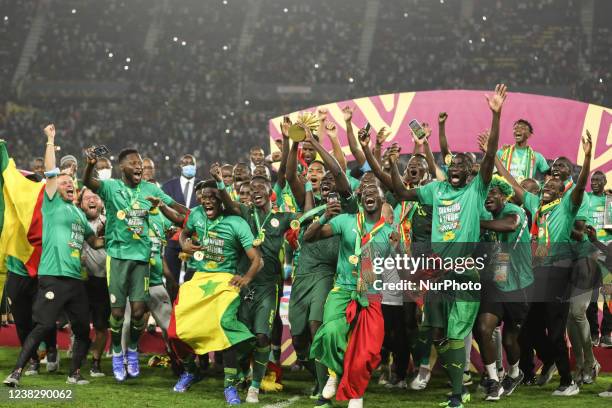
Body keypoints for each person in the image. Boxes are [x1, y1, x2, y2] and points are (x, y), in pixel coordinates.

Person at [389, 84, 507, 408]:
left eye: (462, 166)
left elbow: (491, 154)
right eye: (452, 164)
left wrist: (496, 115)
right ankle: (460, 386)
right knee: (438, 335)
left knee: (456, 335)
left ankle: (458, 393)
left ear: (471, 173)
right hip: (437, 273)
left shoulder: (476, 191)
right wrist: (390, 167)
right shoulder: (436, 190)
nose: (456, 168)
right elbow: (403, 194)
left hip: (465, 273)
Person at [4, 124, 104, 387]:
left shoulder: (79, 215)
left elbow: (94, 242)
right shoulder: (52, 204)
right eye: (64, 182)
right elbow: (50, 171)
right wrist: (50, 140)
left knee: (83, 330)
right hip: (52, 278)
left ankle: (74, 373)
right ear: (54, 188)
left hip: (74, 281)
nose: (69, 185)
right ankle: (16, 372)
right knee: (41, 326)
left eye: (72, 183)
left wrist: (118, 232)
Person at [497, 130, 593, 396]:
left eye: (553, 186)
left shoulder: (567, 206)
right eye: (546, 184)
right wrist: (493, 157)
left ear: (563, 191)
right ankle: (551, 363)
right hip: (537, 272)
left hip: (559, 271)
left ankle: (568, 381)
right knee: (529, 327)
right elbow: (513, 183)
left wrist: (586, 158)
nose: (548, 186)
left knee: (555, 329)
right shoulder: (537, 204)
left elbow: (581, 185)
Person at [83, 146, 186, 382]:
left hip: (142, 258)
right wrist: (89, 163)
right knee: (118, 313)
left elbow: (176, 208)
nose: (138, 165)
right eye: (133, 162)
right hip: (118, 257)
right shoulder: (111, 188)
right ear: (122, 167)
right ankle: (118, 353)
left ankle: (131, 348)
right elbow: (88, 181)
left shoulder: (150, 188)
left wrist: (195, 215)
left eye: (140, 162)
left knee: (140, 312)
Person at [171, 179, 261, 405]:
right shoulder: (197, 214)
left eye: (212, 197)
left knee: (224, 329)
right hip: (199, 279)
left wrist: (246, 278)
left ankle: (230, 386)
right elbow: (185, 232)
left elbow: (256, 259)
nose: (207, 201)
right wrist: (184, 243)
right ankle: (191, 371)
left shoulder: (236, 222)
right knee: (174, 331)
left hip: (224, 281)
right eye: (203, 197)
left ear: (221, 199)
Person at [305, 182, 395, 408]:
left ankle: (356, 394)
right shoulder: (345, 221)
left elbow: (392, 270)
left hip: (370, 294)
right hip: (343, 290)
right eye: (365, 194)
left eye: (374, 193)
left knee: (365, 352)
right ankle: (335, 374)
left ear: (382, 201)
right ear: (360, 200)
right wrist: (324, 217)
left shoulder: (388, 233)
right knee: (331, 333)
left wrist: (396, 249)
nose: (369, 196)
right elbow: (308, 237)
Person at [213, 164, 297, 404]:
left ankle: (255, 386)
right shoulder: (244, 213)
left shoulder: (281, 218)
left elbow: (305, 218)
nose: (256, 191)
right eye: (252, 189)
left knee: (262, 336)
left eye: (261, 187)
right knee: (240, 336)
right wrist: (220, 183)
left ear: (270, 191)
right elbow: (229, 204)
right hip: (241, 284)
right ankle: (237, 376)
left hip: (268, 286)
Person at [476, 175, 533, 400]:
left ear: (503, 195)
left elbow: (510, 225)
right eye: (485, 193)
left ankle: (515, 372)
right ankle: (492, 380)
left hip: (520, 285)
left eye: (493, 193)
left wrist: (477, 222)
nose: (488, 197)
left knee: (510, 340)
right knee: (484, 328)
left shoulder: (513, 210)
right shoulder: (485, 214)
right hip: (496, 281)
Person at [79, 187, 110, 377]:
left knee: (100, 325)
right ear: (81, 203)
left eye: (95, 197)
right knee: (79, 324)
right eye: (87, 198)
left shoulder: (111, 222)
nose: (92, 200)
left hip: (103, 282)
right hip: (80, 282)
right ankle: (79, 353)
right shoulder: (74, 221)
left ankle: (96, 362)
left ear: (102, 203)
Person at [161, 154, 201, 289]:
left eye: (192, 163)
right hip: (173, 239)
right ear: (180, 166)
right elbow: (162, 211)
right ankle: (172, 307)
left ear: (196, 166)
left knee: (194, 280)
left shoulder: (203, 187)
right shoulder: (167, 187)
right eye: (185, 163)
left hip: (197, 240)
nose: (189, 165)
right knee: (171, 279)